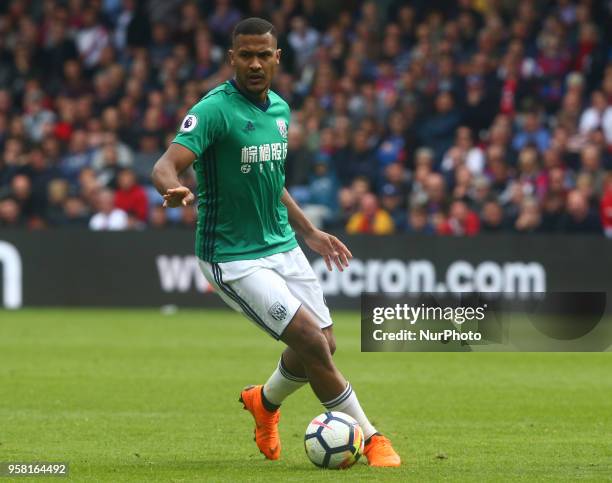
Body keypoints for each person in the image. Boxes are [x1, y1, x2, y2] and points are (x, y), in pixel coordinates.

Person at [151, 18, 400, 467]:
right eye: (245, 54)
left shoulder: (280, 111)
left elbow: (272, 183)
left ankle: (263, 403)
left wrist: (310, 233)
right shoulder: (213, 111)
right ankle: (371, 437)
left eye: (263, 55)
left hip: (281, 244)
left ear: (277, 58)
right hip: (231, 256)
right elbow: (165, 164)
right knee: (310, 341)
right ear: (232, 58)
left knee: (325, 341)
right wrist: (172, 187)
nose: (254, 63)